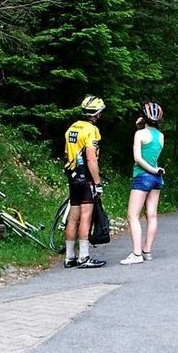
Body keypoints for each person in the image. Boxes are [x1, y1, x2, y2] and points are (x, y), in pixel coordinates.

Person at [62, 95, 106, 269]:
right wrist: (97, 183)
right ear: (97, 113)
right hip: (86, 178)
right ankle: (84, 257)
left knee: (73, 216)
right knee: (86, 216)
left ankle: (69, 257)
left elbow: (67, 154)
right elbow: (91, 158)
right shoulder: (91, 130)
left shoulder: (72, 128)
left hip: (73, 177)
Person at [120, 102, 165, 265]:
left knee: (133, 216)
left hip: (142, 176)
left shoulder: (139, 134)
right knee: (152, 215)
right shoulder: (161, 136)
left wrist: (152, 170)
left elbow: (138, 158)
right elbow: (151, 152)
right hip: (157, 179)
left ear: (143, 117)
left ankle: (136, 254)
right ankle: (147, 251)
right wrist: (156, 171)